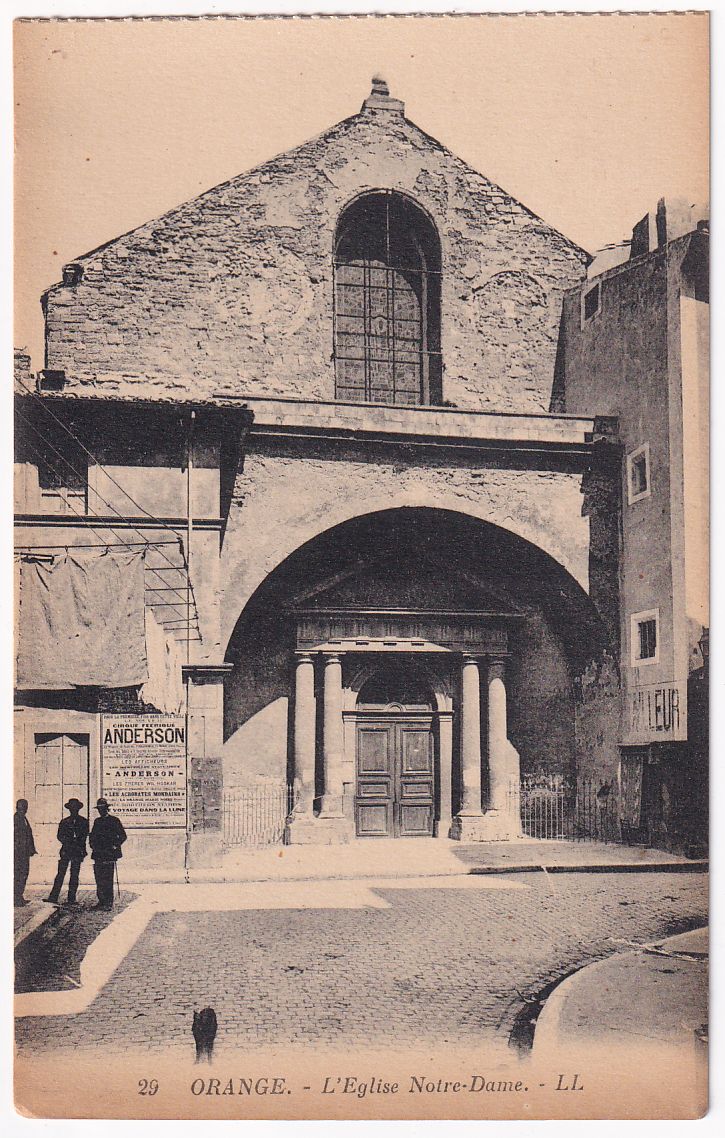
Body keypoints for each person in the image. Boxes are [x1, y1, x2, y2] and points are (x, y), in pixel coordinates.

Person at [44, 798, 89, 907]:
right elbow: (60, 836)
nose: (74, 811)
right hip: (66, 850)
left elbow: (84, 836)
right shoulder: (64, 822)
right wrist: (68, 842)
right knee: (60, 874)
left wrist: (79, 847)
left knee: (74, 875)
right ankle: (53, 897)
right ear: (69, 810)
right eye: (72, 809)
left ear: (78, 809)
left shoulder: (84, 821)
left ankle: (71, 899)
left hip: (77, 851)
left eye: (75, 809)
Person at [88, 798, 127, 911]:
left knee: (108, 878)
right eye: (99, 809)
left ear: (107, 809)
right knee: (99, 878)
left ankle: (108, 903)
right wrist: (92, 844)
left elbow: (123, 836)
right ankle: (101, 901)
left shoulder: (114, 821)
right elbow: (93, 836)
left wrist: (116, 845)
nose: (101, 811)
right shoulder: (97, 821)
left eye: (103, 809)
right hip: (99, 854)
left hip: (109, 854)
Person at [14, 799, 36, 907]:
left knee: (24, 874)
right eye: (20, 808)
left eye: (24, 808)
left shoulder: (24, 819)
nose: (23, 810)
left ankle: (19, 896)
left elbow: (29, 835)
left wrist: (31, 849)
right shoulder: (15, 819)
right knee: (18, 874)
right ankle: (16, 897)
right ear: (17, 808)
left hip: (24, 853)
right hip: (18, 854)